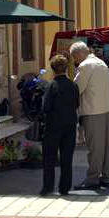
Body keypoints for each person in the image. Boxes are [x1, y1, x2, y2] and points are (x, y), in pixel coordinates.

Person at [70, 41, 109, 190]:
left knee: (95, 147)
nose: (75, 61)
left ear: (79, 54)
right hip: (107, 108)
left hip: (93, 110)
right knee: (106, 146)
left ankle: (93, 178)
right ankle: (106, 177)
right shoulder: (101, 62)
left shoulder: (85, 66)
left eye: (74, 58)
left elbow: (76, 89)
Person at [40, 54, 80, 196]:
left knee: (49, 158)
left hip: (53, 125)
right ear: (66, 68)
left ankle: (48, 187)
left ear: (53, 69)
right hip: (70, 124)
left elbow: (46, 107)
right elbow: (77, 104)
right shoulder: (73, 85)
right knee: (67, 158)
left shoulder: (51, 85)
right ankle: (64, 187)